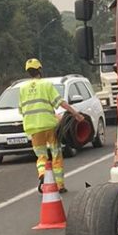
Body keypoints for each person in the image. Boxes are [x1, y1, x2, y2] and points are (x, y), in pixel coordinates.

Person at [18, 58, 83, 192]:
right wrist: (75, 114)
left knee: (41, 156)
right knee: (56, 154)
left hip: (34, 128)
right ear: (40, 70)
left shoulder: (22, 88)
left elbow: (21, 109)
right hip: (50, 126)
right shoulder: (46, 85)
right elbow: (61, 103)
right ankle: (60, 185)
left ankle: (42, 174)